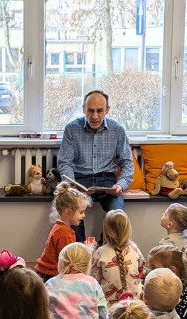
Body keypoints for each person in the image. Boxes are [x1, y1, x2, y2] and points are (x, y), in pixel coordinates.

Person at [56, 90, 134, 242]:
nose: (95, 116)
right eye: (90, 110)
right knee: (71, 211)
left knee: (117, 214)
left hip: (107, 181)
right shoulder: (71, 129)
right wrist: (72, 185)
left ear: (107, 110)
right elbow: (65, 162)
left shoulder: (118, 130)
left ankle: (103, 251)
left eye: (99, 111)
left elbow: (127, 163)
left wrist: (121, 185)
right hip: (79, 180)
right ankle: (79, 251)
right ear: (83, 109)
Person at [46, 242, 109, 319]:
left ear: (61, 262)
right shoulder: (93, 283)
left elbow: (42, 311)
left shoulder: (50, 283)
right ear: (88, 264)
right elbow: (103, 314)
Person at [35, 183, 88, 281]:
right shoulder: (64, 234)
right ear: (68, 212)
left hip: (48, 272)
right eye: (81, 212)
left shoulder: (61, 227)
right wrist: (87, 251)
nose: (83, 215)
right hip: (51, 275)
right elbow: (69, 262)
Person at [93, 209, 146, 306]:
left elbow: (94, 279)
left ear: (105, 231)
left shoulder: (100, 253)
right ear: (128, 229)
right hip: (136, 304)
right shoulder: (134, 249)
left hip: (109, 307)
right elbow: (141, 267)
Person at [148, 245, 187, 319]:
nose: (151, 273)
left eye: (154, 268)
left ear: (172, 270)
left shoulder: (180, 293)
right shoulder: (179, 282)